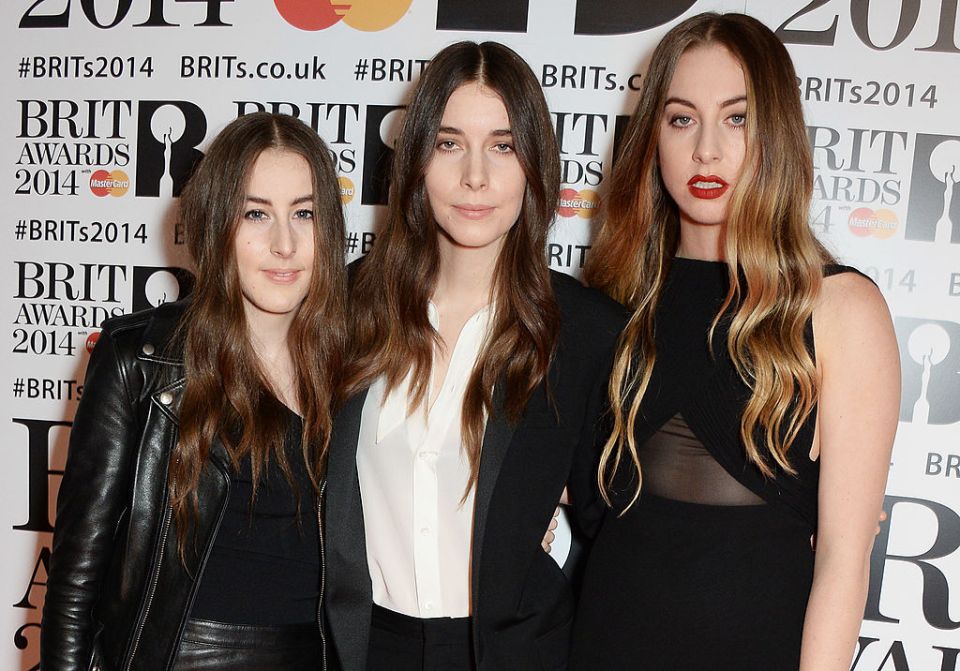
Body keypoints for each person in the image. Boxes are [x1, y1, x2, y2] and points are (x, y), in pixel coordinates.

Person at [570, 12, 900, 670]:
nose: (706, 151)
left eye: (737, 117)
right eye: (681, 118)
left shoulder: (839, 307)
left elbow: (843, 559)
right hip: (602, 642)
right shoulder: (611, 300)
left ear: (776, 132)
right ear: (653, 137)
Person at [323, 41, 627, 670]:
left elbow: (623, 530)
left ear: (534, 165)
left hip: (520, 652)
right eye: (449, 143)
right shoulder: (344, 306)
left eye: (503, 146)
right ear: (416, 162)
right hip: (367, 650)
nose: (476, 177)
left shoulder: (587, 331)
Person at [41, 112, 348, 670]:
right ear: (213, 224)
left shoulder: (354, 367)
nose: (284, 243)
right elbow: (75, 580)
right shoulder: (143, 359)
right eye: (256, 213)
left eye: (303, 213)